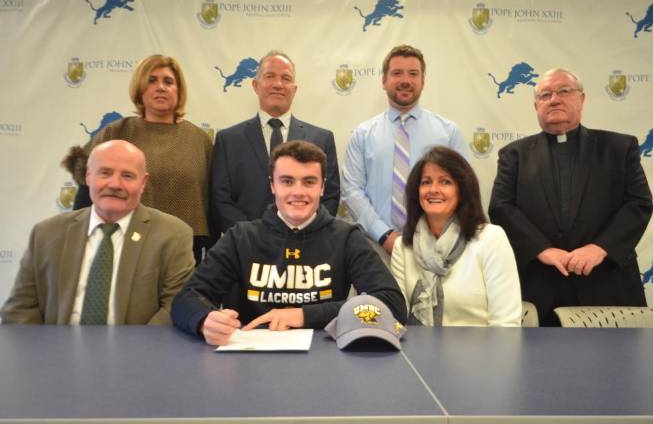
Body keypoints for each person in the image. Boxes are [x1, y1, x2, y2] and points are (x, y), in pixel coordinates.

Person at [172, 140, 406, 346]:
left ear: (322, 187)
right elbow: (185, 300)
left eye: (309, 182)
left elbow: (392, 304)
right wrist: (204, 321)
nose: (298, 192)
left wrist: (304, 315)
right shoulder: (240, 237)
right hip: (249, 359)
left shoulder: (346, 238)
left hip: (324, 358)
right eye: (287, 181)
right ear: (272, 185)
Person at [489, 68, 653, 326]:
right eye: (545, 95)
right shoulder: (514, 155)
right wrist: (542, 249)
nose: (554, 99)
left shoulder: (619, 148)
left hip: (608, 284)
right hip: (539, 288)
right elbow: (501, 208)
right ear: (536, 106)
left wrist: (600, 248)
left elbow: (639, 203)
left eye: (564, 91)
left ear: (582, 98)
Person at [1, 140, 195, 324]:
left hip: (136, 354)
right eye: (105, 173)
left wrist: (134, 353)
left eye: (127, 176)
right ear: (88, 176)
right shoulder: (46, 234)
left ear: (143, 183)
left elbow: (175, 308)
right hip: (57, 352)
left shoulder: (173, 235)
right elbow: (21, 309)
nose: (115, 184)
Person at [62, 54, 212, 264]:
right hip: (125, 240)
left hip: (185, 245)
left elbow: (211, 199)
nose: (161, 87)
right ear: (140, 90)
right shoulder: (117, 132)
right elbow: (87, 189)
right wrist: (78, 238)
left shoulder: (199, 139)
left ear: (179, 91)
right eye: (152, 80)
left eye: (168, 81)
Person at [343, 44, 468, 262]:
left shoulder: (448, 133)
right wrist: (385, 236)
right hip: (375, 248)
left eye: (413, 73)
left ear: (423, 81)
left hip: (437, 249)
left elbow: (464, 189)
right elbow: (352, 191)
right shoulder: (362, 135)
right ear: (384, 81)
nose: (405, 80)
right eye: (397, 73)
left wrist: (435, 236)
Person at [211, 50, 340, 236]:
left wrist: (302, 233)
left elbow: (329, 196)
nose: (278, 84)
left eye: (286, 78)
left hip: (306, 246)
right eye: (270, 76)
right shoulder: (228, 140)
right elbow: (220, 199)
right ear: (255, 85)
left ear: (294, 89)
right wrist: (250, 237)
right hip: (246, 247)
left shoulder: (322, 139)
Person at [390, 146, 521, 326]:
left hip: (482, 353)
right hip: (418, 352)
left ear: (462, 191)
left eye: (445, 182)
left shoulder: (491, 239)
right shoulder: (403, 247)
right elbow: (397, 321)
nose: (433, 189)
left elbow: (506, 325)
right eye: (426, 182)